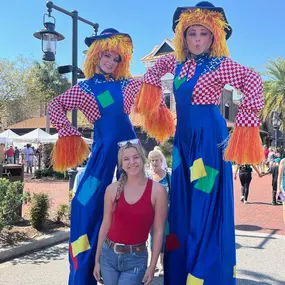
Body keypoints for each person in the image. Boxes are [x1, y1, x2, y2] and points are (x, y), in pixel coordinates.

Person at [134, 2, 264, 284]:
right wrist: (159, 113)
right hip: (183, 142)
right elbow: (152, 74)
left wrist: (244, 127)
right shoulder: (175, 63)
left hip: (207, 139)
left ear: (214, 36)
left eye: (203, 34)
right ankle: (181, 271)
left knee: (203, 203)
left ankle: (202, 275)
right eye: (191, 33)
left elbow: (253, 81)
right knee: (181, 202)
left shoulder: (220, 64)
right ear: (183, 35)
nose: (196, 39)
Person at [48, 28, 144, 285]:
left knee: (134, 204)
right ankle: (83, 272)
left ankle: (130, 265)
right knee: (85, 203)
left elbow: (152, 87)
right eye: (106, 55)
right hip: (103, 153)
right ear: (95, 56)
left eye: (116, 58)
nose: (111, 61)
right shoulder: (85, 88)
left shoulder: (127, 83)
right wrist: (70, 135)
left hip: (130, 152)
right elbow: (54, 106)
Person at [93, 141, 167, 285]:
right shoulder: (111, 190)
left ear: (143, 159)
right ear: (121, 164)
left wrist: (152, 266)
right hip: (108, 255)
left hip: (136, 258)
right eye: (126, 159)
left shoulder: (158, 191)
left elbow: (158, 231)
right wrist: (97, 260)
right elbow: (105, 225)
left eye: (136, 157)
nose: (132, 162)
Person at [147, 148, 171, 276]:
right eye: (152, 160)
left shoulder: (168, 177)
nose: (154, 163)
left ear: (161, 161)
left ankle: (164, 264)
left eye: (156, 160)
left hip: (167, 215)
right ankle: (153, 264)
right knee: (152, 239)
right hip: (151, 215)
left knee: (167, 239)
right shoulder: (148, 177)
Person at [277, 158, 285, 222]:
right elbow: (279, 176)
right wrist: (278, 188)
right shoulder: (283, 161)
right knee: (284, 208)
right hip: (283, 189)